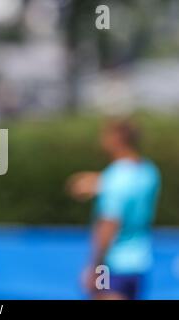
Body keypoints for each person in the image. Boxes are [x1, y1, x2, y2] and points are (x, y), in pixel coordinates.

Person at [66, 118, 161, 300]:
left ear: (117, 138)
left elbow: (110, 224)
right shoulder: (149, 171)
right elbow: (125, 186)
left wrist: (95, 267)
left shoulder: (115, 179)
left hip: (113, 265)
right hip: (140, 263)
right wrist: (97, 182)